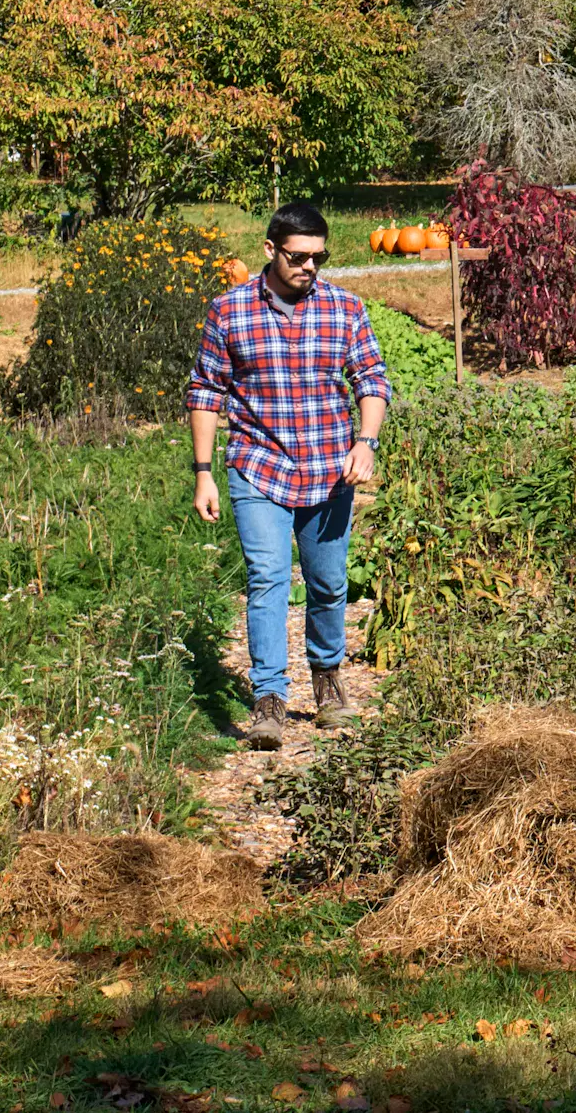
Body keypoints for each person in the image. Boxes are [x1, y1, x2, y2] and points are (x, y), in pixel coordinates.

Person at [188, 201, 391, 751]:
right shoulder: (229, 311)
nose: (309, 267)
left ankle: (326, 677)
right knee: (268, 577)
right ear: (270, 250)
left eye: (319, 257)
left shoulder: (345, 309)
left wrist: (365, 442)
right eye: (298, 256)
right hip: (259, 466)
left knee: (328, 583)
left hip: (329, 472)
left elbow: (371, 378)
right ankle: (269, 699)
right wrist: (203, 472)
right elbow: (206, 391)